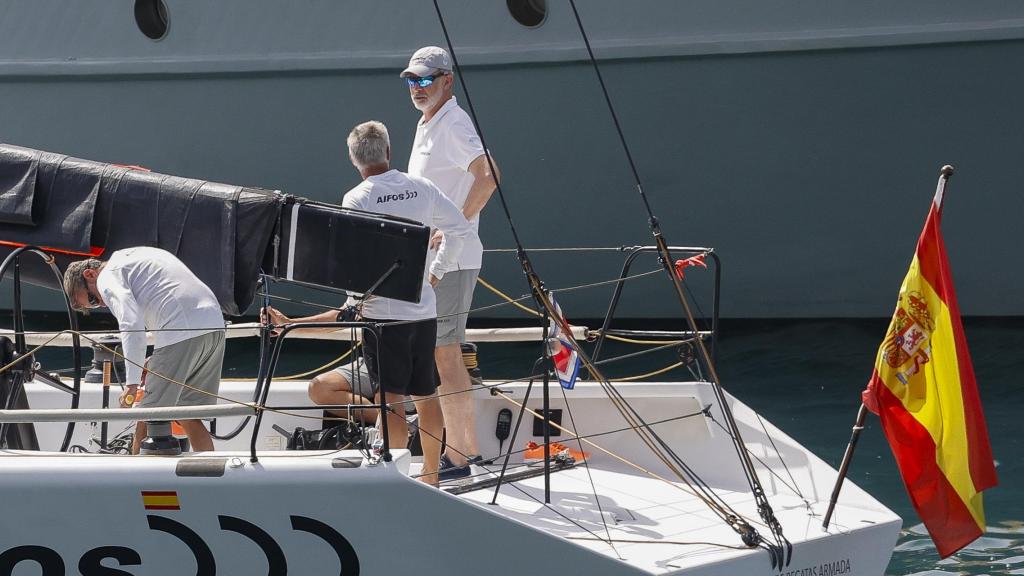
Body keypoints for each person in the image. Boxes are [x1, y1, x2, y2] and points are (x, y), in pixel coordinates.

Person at [263, 120, 471, 486]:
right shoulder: (421, 187)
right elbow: (459, 230)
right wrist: (435, 274)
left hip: (383, 320)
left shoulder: (356, 198)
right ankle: (432, 475)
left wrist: (354, 301)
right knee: (426, 395)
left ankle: (392, 479)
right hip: (423, 313)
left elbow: (355, 263)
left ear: (353, 159)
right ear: (389, 152)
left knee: (388, 399)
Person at [402, 45, 500, 478]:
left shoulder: (453, 123)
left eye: (425, 80)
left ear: (447, 81)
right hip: (434, 260)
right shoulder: (429, 123)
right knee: (439, 352)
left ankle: (461, 456)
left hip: (453, 259)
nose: (417, 88)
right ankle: (460, 450)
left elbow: (489, 175)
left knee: (445, 353)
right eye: (412, 80)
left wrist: (454, 226)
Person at [63, 247, 225, 454]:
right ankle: (208, 477)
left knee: (148, 412)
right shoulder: (132, 257)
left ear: (90, 274)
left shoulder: (108, 276)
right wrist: (158, 353)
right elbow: (165, 294)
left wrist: (131, 383)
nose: (103, 303)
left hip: (180, 331)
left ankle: (134, 471)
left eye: (93, 299)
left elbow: (131, 324)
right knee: (189, 413)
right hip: (214, 325)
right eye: (97, 306)